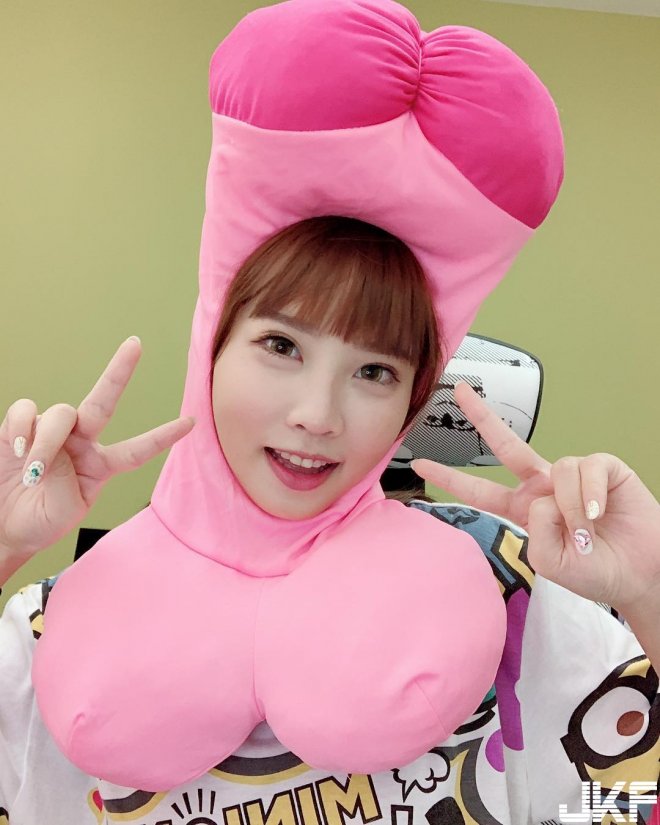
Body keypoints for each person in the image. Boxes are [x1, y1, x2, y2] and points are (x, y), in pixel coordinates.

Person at [1, 0, 658, 823]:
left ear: (413, 398)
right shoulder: (51, 628)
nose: (318, 414)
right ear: (212, 347)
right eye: (281, 346)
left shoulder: (509, 588)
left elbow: (636, 794)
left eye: (375, 371)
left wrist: (651, 588)